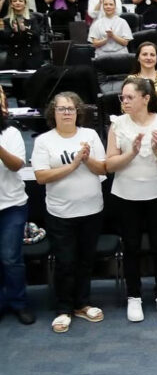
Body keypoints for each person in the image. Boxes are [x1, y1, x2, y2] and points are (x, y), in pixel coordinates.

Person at [32, 93, 107, 333]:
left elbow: (102, 169)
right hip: (61, 213)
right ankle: (63, 309)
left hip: (92, 209)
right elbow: (41, 176)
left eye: (71, 109)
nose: (67, 113)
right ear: (53, 112)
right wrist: (73, 165)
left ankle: (82, 304)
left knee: (86, 261)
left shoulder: (90, 136)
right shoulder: (44, 141)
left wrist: (86, 160)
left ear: (78, 112)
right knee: (65, 262)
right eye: (62, 109)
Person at [106, 78, 157, 322]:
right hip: (126, 196)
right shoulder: (117, 125)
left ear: (145, 98)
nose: (124, 101)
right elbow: (109, 164)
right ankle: (134, 296)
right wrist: (132, 152)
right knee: (132, 247)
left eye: (129, 97)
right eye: (122, 98)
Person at [0, 104, 34, 325]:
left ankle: (18, 303)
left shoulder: (11, 133)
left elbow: (16, 165)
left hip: (11, 205)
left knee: (10, 258)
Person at [1, 0, 43, 69]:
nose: (18, 3)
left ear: (25, 4)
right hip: (15, 57)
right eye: (15, 1)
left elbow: (37, 35)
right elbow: (4, 39)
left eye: (20, 1)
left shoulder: (33, 18)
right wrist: (14, 32)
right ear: (11, 4)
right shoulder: (6, 20)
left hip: (32, 57)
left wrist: (25, 30)